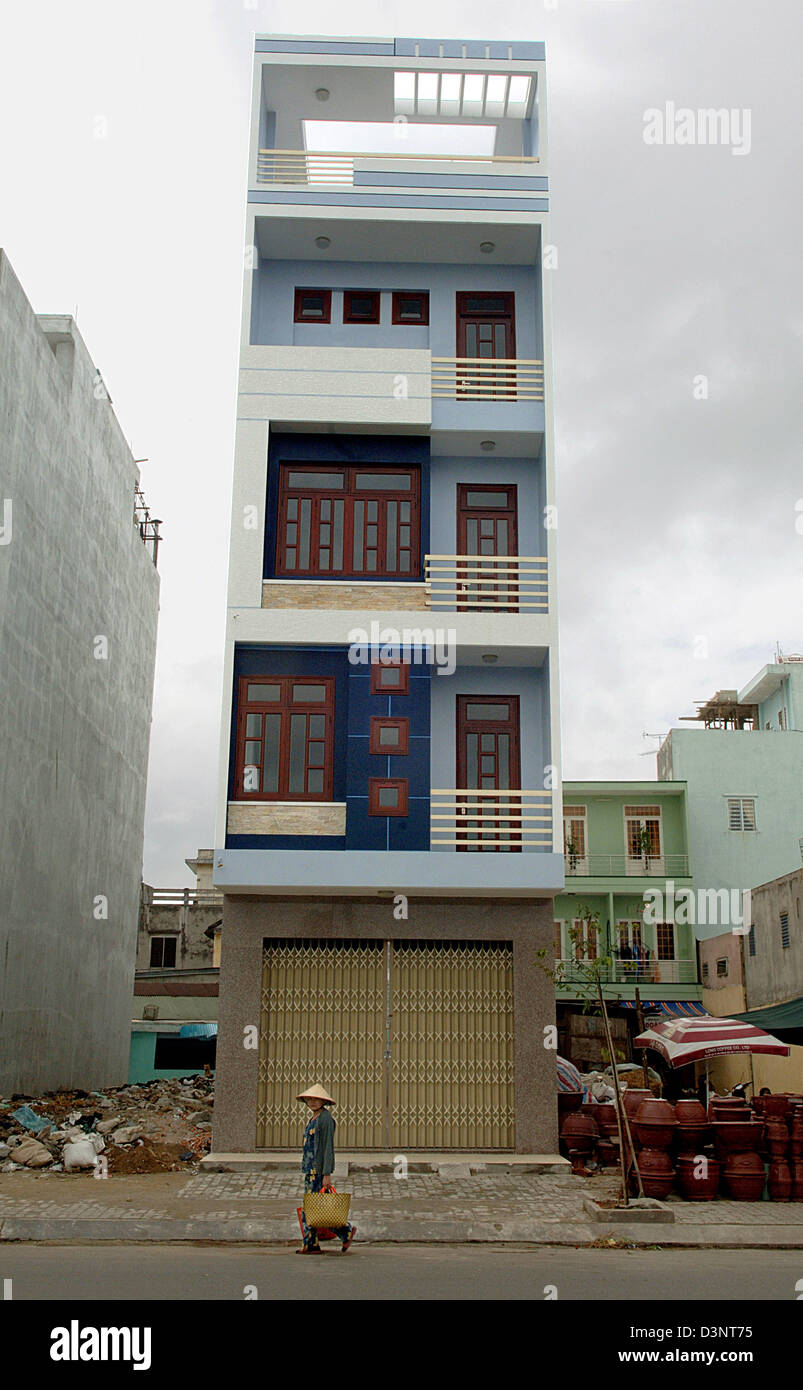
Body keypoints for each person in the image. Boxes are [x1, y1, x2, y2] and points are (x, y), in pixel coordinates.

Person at [296, 1083, 356, 1255]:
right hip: (309, 1170)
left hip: (318, 1171)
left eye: (316, 1099)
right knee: (312, 1207)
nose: (312, 1102)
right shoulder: (314, 1118)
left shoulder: (326, 1119)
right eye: (310, 1099)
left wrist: (326, 1174)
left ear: (323, 1101)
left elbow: (327, 1148)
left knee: (316, 1207)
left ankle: (344, 1232)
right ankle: (311, 1243)